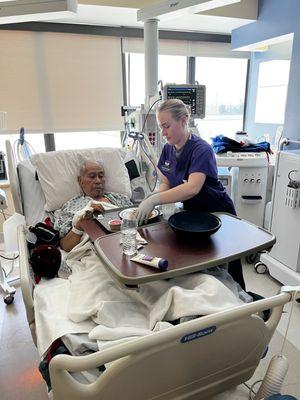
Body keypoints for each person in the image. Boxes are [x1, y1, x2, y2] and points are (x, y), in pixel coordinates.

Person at [136, 99, 245, 290]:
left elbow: (193, 188)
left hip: (218, 212)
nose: (163, 132)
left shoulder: (201, 149)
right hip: (193, 214)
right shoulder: (168, 149)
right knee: (200, 266)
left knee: (229, 266)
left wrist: (155, 200)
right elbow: (166, 182)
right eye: (161, 127)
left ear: (184, 120)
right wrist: (151, 197)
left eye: (167, 126)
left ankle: (244, 302)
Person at [52, 160, 132, 251]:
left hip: (128, 244)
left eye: (101, 176)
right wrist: (81, 223)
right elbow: (65, 246)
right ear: (80, 180)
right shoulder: (71, 206)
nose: (98, 181)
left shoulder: (120, 199)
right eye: (92, 176)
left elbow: (138, 222)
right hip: (95, 251)